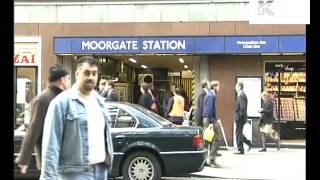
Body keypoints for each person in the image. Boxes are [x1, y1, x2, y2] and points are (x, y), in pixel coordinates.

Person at [40, 56, 113, 180]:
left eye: (94, 74)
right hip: (75, 173)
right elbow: (51, 145)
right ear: (77, 74)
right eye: (86, 73)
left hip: (101, 170)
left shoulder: (100, 102)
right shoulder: (61, 103)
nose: (91, 77)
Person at [14, 65, 70, 174]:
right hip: (50, 159)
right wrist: (24, 158)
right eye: (68, 79)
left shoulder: (65, 98)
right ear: (62, 80)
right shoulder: (43, 100)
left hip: (66, 159)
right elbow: (33, 131)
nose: (69, 82)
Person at [203, 80, 223, 167]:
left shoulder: (210, 95)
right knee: (217, 139)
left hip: (208, 119)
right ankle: (211, 159)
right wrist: (212, 121)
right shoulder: (211, 96)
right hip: (210, 120)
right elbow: (209, 110)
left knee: (207, 140)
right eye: (218, 86)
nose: (219, 88)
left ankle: (204, 160)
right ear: (214, 87)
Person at [234, 82, 252, 154]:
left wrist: (239, 116)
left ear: (239, 87)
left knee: (238, 133)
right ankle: (248, 143)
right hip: (241, 117)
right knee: (239, 133)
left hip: (240, 118)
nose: (235, 88)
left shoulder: (241, 95)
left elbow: (242, 107)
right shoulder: (241, 95)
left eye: (236, 86)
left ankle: (240, 149)